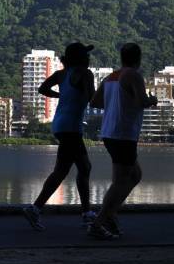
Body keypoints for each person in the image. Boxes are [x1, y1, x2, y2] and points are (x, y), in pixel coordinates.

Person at [22, 42, 97, 231]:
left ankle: (38, 208)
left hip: (60, 124)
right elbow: (93, 99)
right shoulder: (85, 74)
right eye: (86, 55)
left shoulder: (61, 74)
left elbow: (42, 89)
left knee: (73, 169)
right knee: (76, 168)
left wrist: (60, 95)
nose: (89, 58)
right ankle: (84, 213)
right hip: (71, 126)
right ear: (81, 58)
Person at [87, 42, 156, 240]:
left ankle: (109, 214)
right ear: (138, 58)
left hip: (110, 133)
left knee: (134, 175)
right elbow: (141, 102)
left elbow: (94, 102)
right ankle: (100, 222)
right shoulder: (133, 75)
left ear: (122, 57)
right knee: (120, 181)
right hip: (123, 133)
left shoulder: (111, 77)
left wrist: (116, 102)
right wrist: (153, 100)